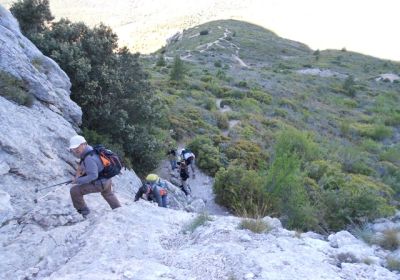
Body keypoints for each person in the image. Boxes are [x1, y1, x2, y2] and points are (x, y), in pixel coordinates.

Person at [68, 135, 121, 217]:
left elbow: (93, 176)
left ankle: (84, 212)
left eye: (77, 147)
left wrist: (77, 181)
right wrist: (78, 175)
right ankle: (119, 210)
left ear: (84, 144)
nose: (75, 150)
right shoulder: (91, 150)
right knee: (108, 194)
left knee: (75, 191)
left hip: (100, 183)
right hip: (107, 179)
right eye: (74, 148)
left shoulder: (89, 158)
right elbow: (83, 164)